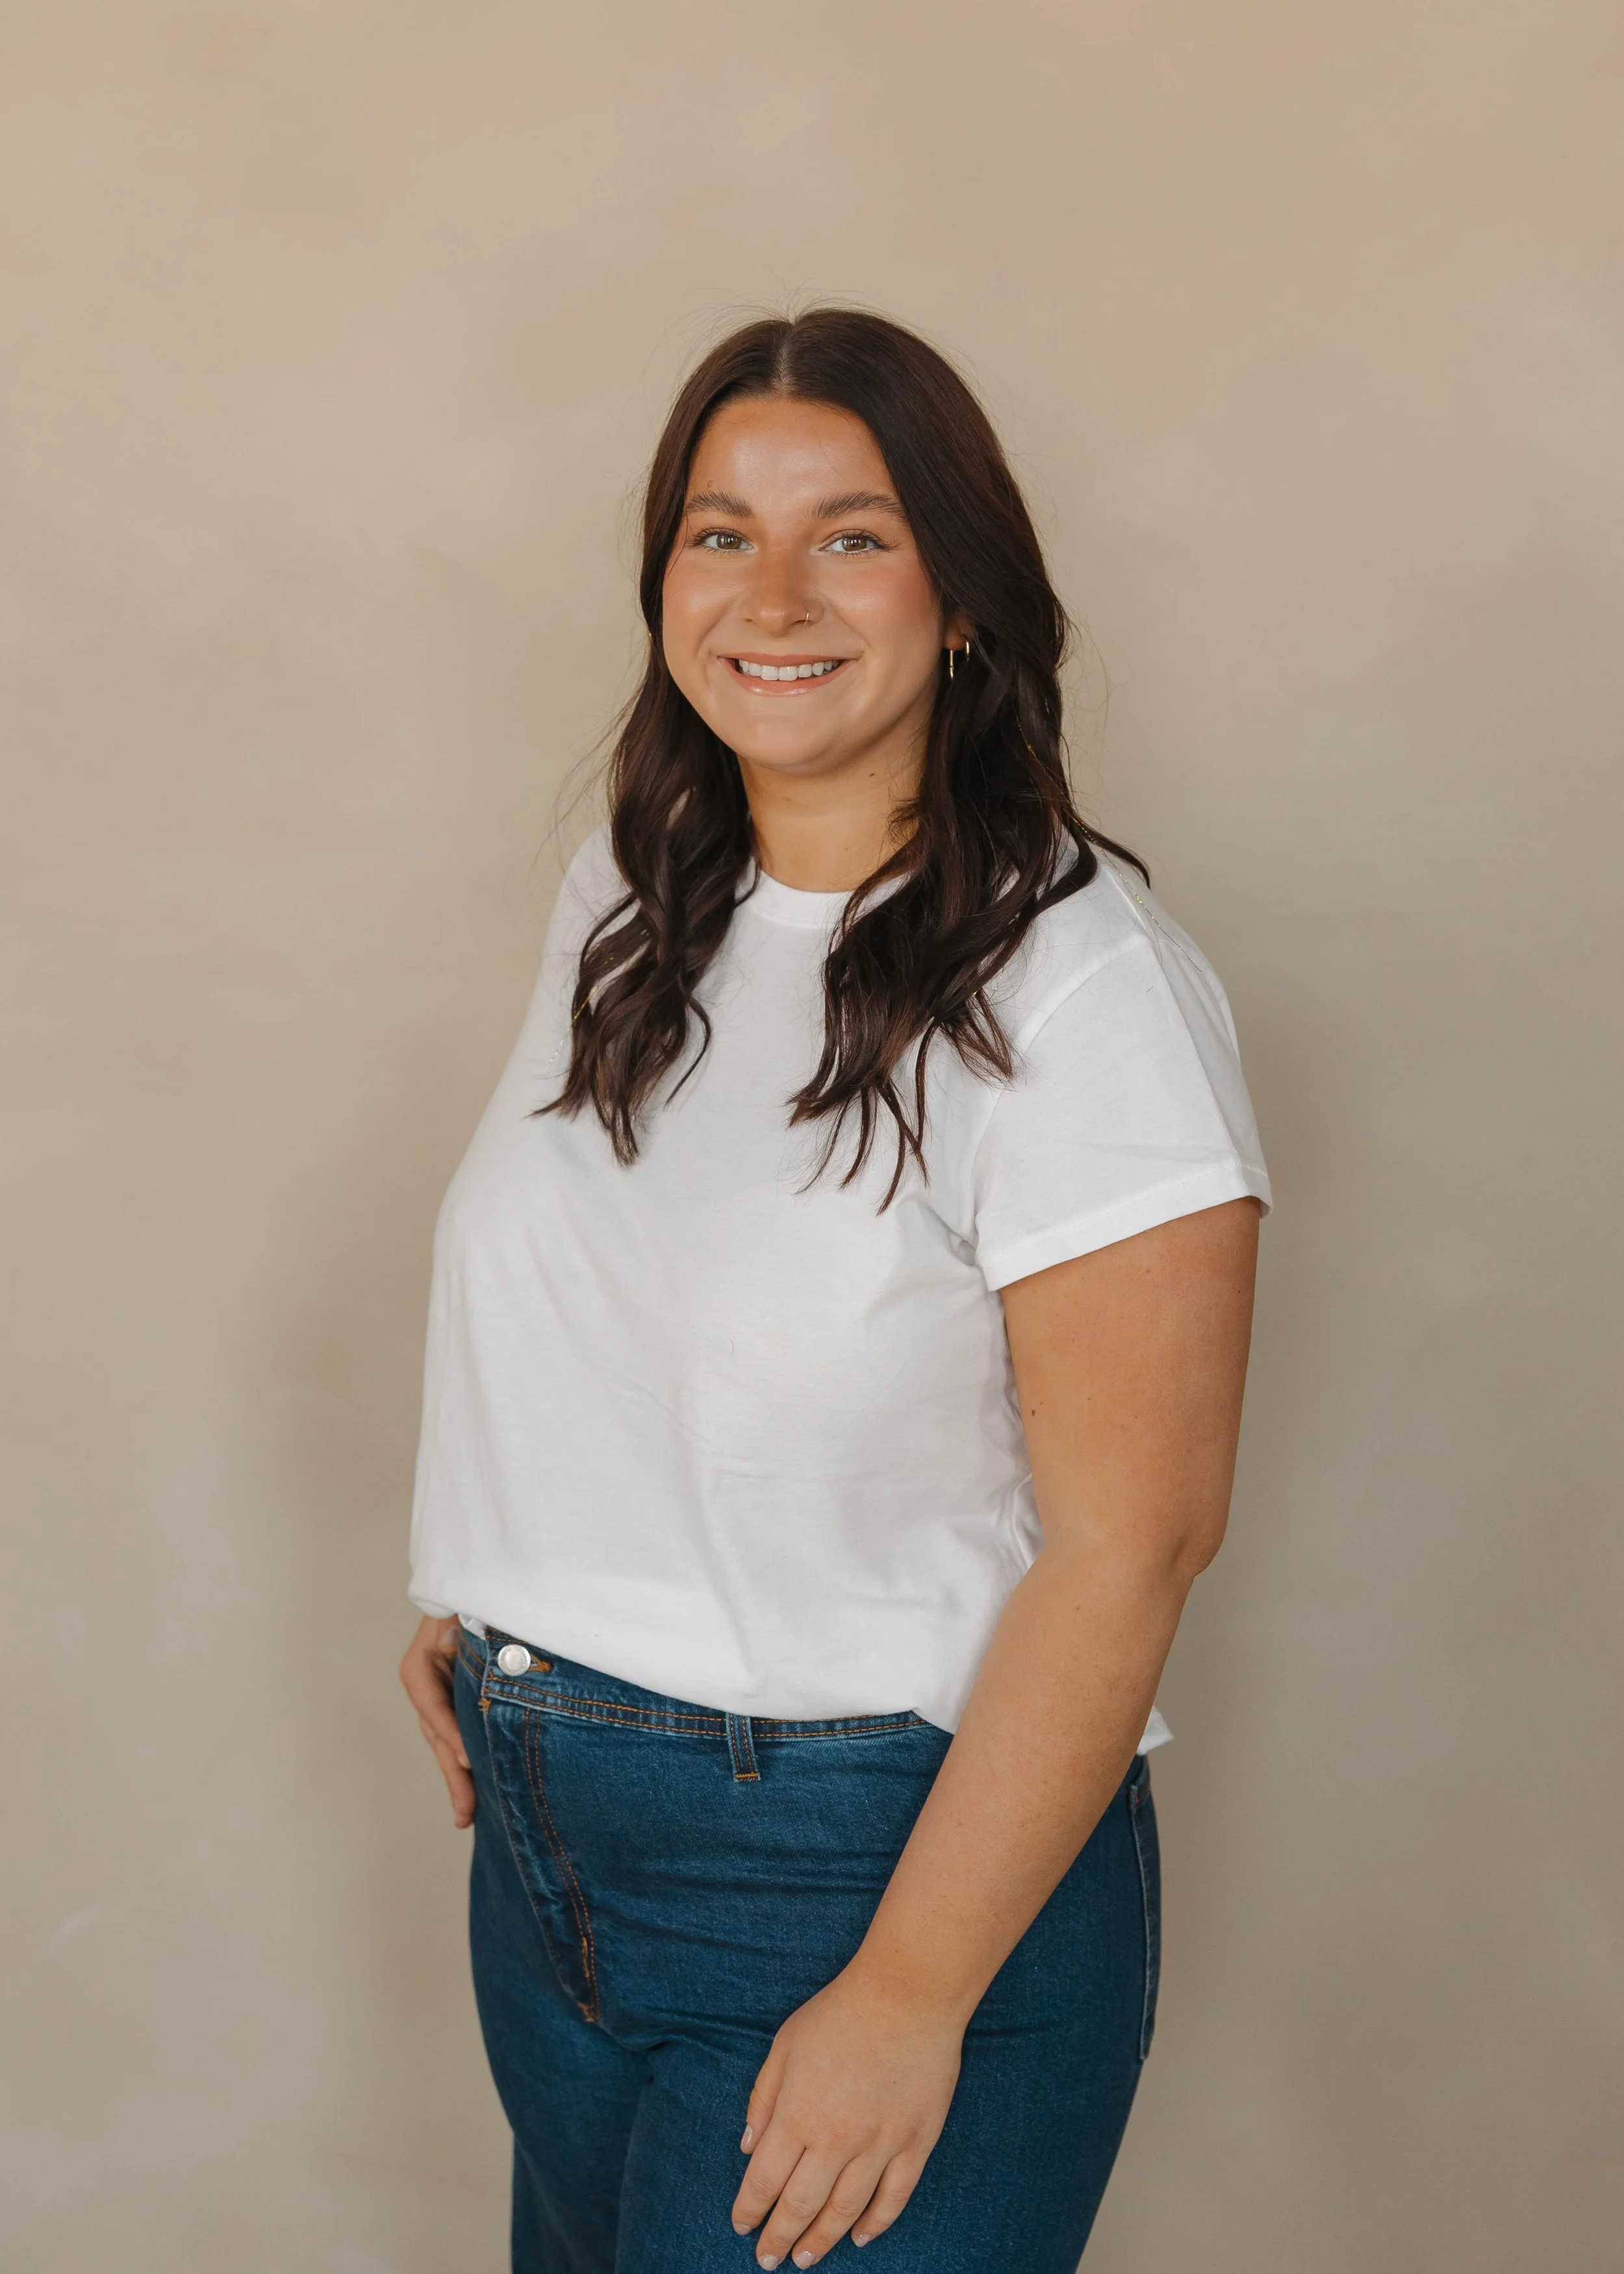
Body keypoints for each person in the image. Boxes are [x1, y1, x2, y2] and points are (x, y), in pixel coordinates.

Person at [399, 307, 1269, 2273]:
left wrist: (907, 1989)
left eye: (851, 533)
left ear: (961, 593)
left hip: (868, 1869)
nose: (771, 592)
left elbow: (1136, 1542)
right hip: (555, 1861)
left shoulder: (1079, 991)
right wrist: (510, 1589)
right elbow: (595, 1293)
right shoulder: (639, 899)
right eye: (718, 532)